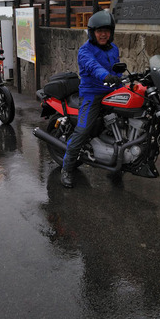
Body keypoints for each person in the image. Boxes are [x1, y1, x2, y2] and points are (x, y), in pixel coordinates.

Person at [60, 10, 122, 188]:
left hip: (112, 91)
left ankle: (117, 162)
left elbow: (117, 69)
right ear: (92, 32)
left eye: (107, 31)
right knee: (83, 130)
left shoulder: (113, 48)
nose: (103, 34)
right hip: (92, 93)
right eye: (99, 31)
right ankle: (67, 168)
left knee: (121, 123)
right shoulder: (85, 50)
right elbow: (93, 66)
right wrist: (105, 76)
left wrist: (121, 79)